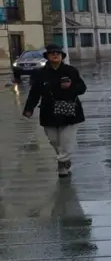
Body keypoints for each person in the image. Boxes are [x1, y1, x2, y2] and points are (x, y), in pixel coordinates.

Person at [23, 44, 87, 177]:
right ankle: (64, 159)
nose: (55, 55)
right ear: (47, 56)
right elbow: (34, 93)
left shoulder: (70, 70)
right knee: (54, 140)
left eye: (58, 53)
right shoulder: (40, 73)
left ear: (62, 56)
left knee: (66, 140)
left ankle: (62, 164)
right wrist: (29, 108)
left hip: (70, 112)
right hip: (49, 112)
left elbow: (82, 88)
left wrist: (70, 87)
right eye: (52, 53)